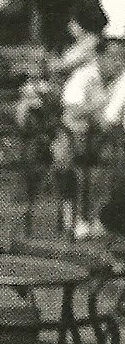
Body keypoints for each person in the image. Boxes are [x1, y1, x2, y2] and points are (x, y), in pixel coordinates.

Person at [52, 36, 125, 237]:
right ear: (99, 57)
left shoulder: (122, 81)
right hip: (73, 133)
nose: (118, 62)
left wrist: (98, 113)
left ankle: (101, 217)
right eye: (113, 57)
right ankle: (72, 213)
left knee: (113, 165)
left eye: (122, 57)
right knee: (63, 160)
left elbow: (111, 118)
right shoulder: (83, 76)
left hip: (106, 136)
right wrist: (95, 109)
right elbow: (72, 110)